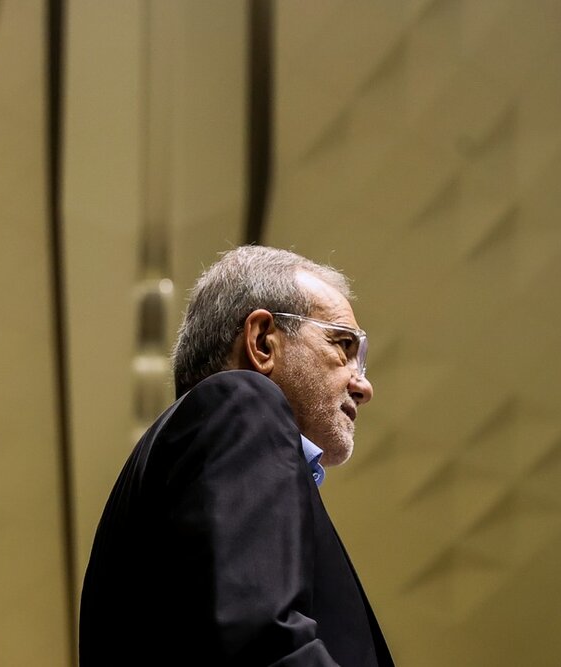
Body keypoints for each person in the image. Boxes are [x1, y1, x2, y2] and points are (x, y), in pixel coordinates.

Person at [79, 245, 394, 666]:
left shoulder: (173, 459)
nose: (363, 386)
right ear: (262, 341)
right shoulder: (242, 402)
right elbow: (264, 645)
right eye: (343, 345)